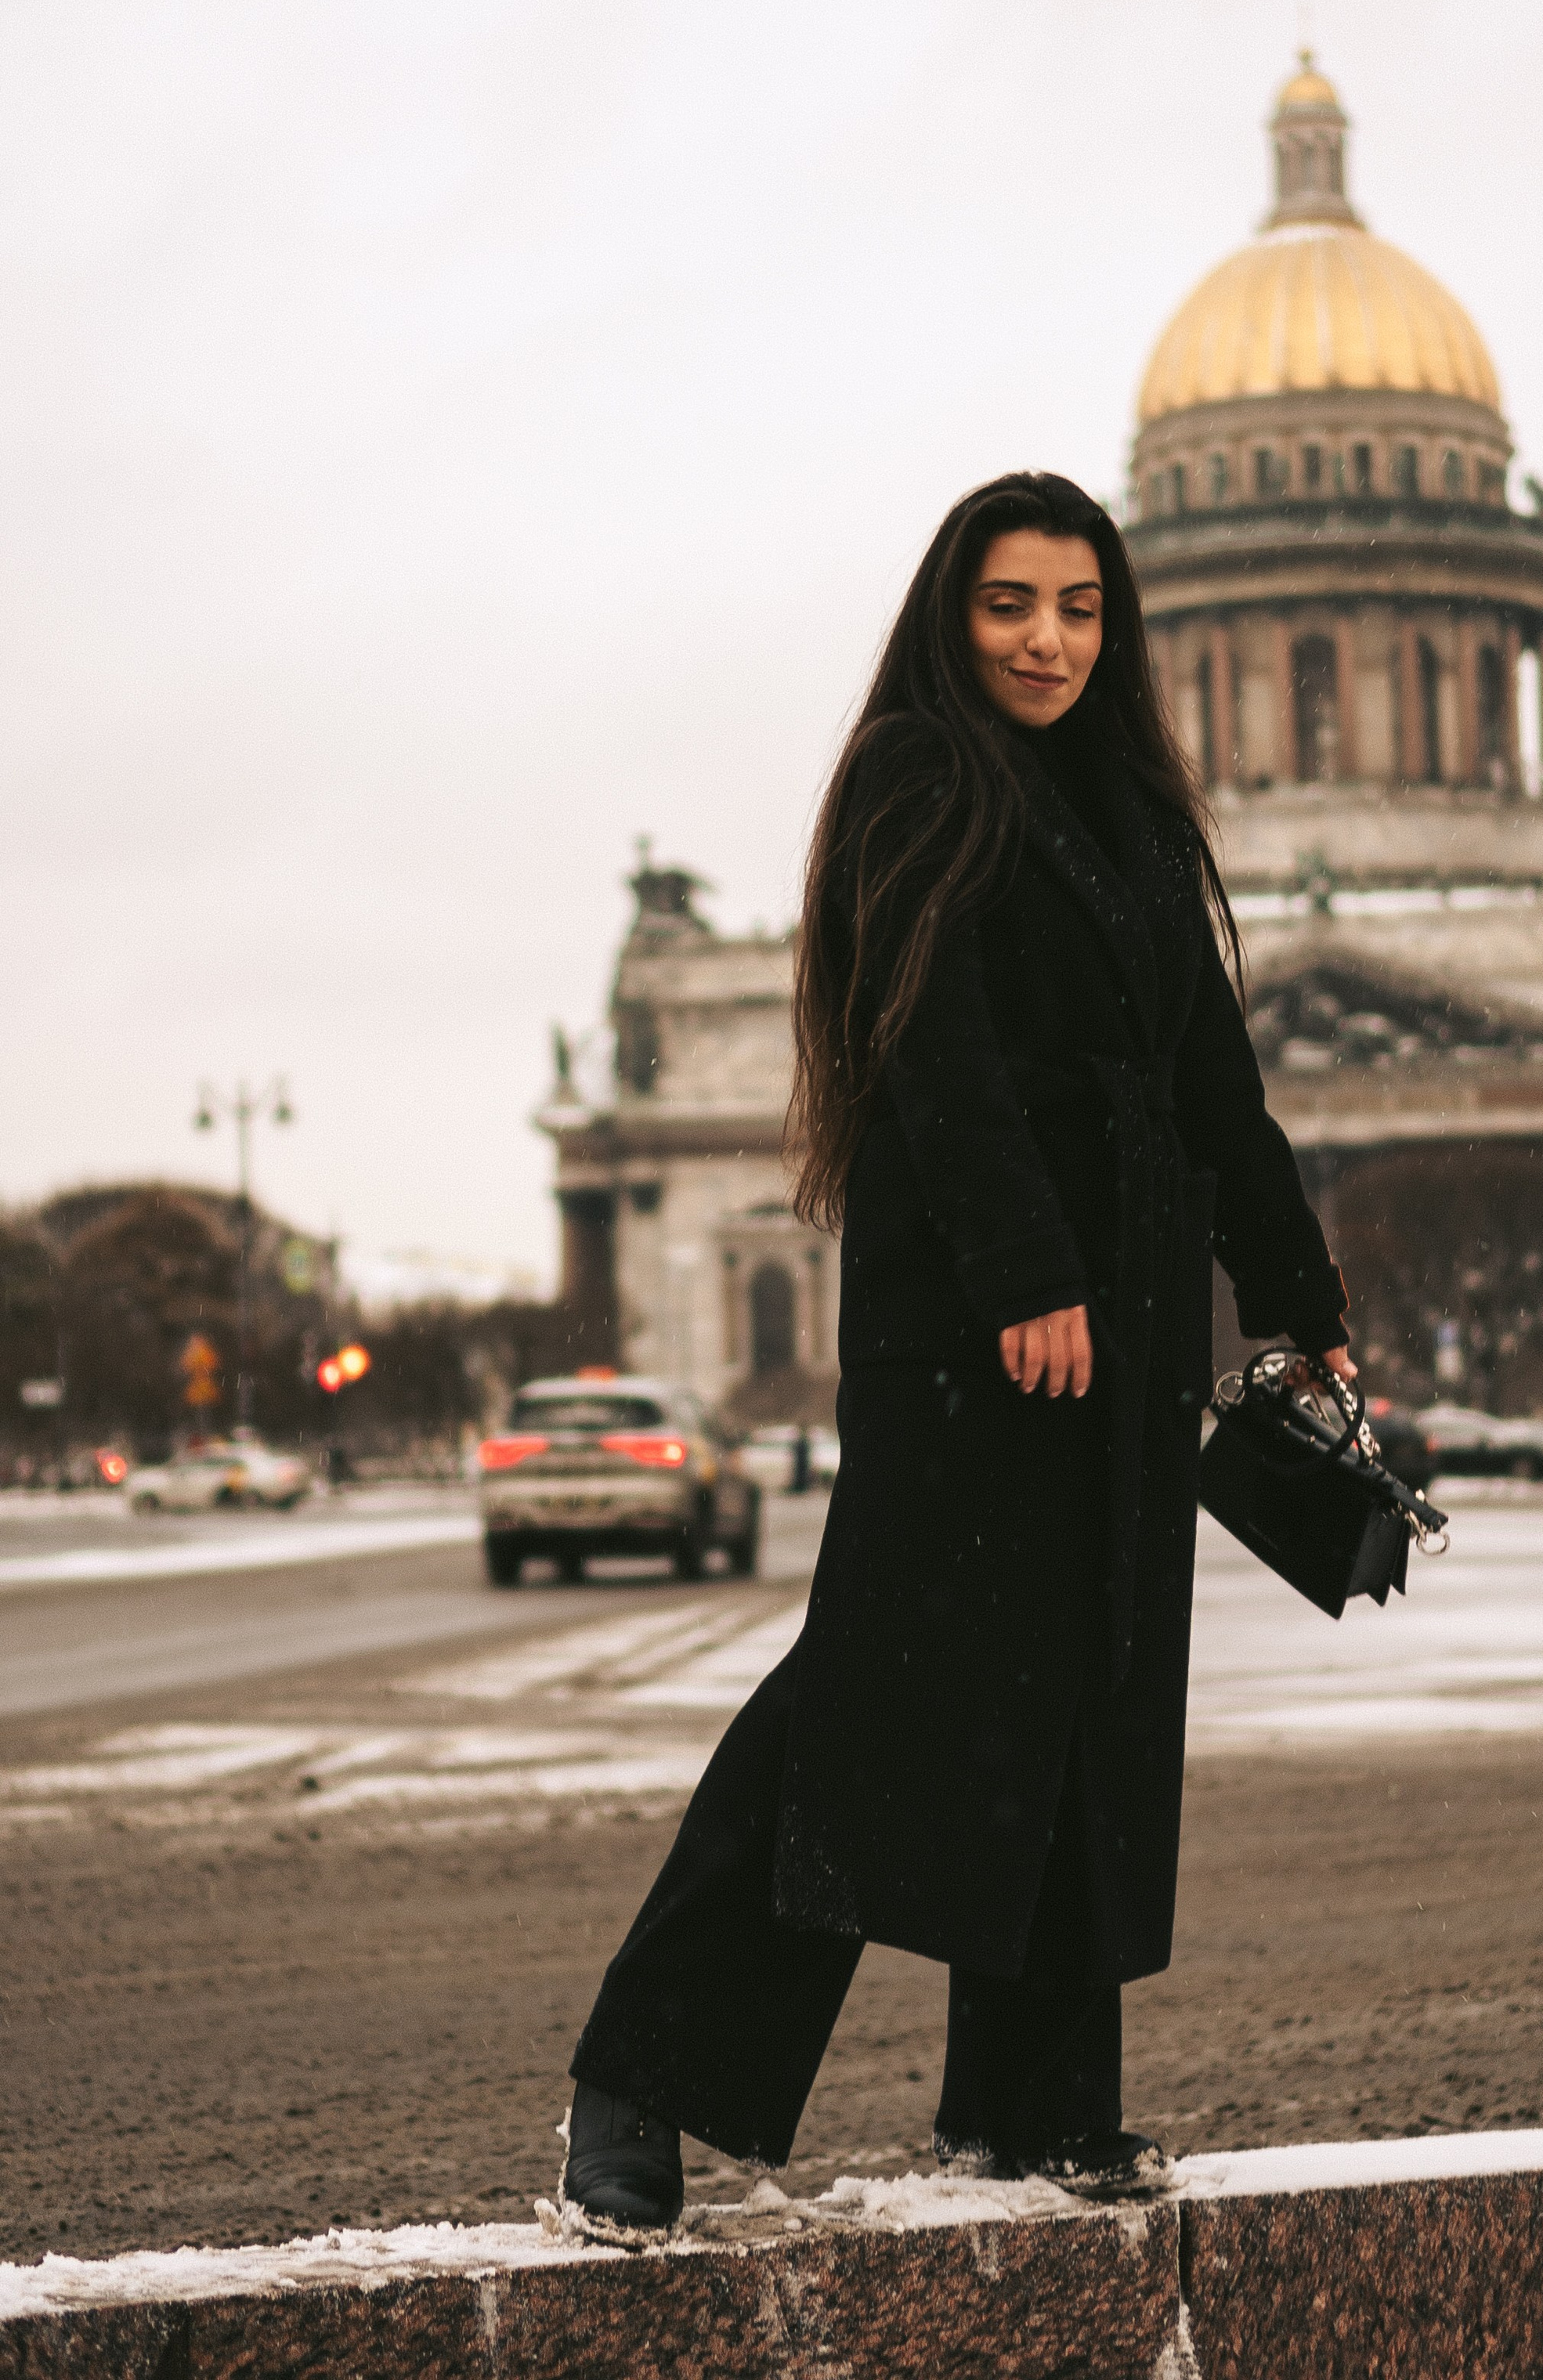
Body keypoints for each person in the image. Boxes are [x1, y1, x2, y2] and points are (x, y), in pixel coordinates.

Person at [560, 470, 1356, 2232]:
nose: (1047, 640)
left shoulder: (1139, 810)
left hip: (1129, 1321)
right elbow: (930, 1046)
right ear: (950, 614)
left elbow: (1211, 1081)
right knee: (867, 1707)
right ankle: (638, 2079)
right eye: (1010, 605)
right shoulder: (917, 778)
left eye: (1077, 608)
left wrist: (1301, 1302)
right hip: (977, 1329)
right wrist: (1018, 1273)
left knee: (1089, 1709)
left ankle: (1033, 2102)